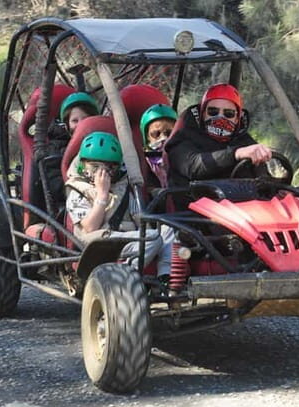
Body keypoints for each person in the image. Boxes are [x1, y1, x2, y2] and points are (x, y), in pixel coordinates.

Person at [65, 131, 174, 285]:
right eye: (94, 167)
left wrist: (149, 234)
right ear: (82, 165)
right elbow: (90, 227)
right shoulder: (77, 191)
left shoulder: (122, 187)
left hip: (126, 236)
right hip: (97, 241)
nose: (102, 173)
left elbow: (140, 219)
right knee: (153, 238)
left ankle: (165, 277)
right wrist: (102, 194)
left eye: (109, 167)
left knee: (166, 230)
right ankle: (123, 278)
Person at [165, 83, 273, 189]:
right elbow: (194, 167)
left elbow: (263, 178)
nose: (220, 117)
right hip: (192, 198)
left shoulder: (245, 141)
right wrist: (236, 154)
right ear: (203, 114)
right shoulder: (183, 138)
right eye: (213, 111)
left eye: (229, 113)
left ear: (237, 119)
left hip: (241, 199)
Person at [139, 103, 178, 189]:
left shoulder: (185, 157)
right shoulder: (141, 165)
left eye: (169, 133)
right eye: (156, 134)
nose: (163, 138)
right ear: (147, 137)